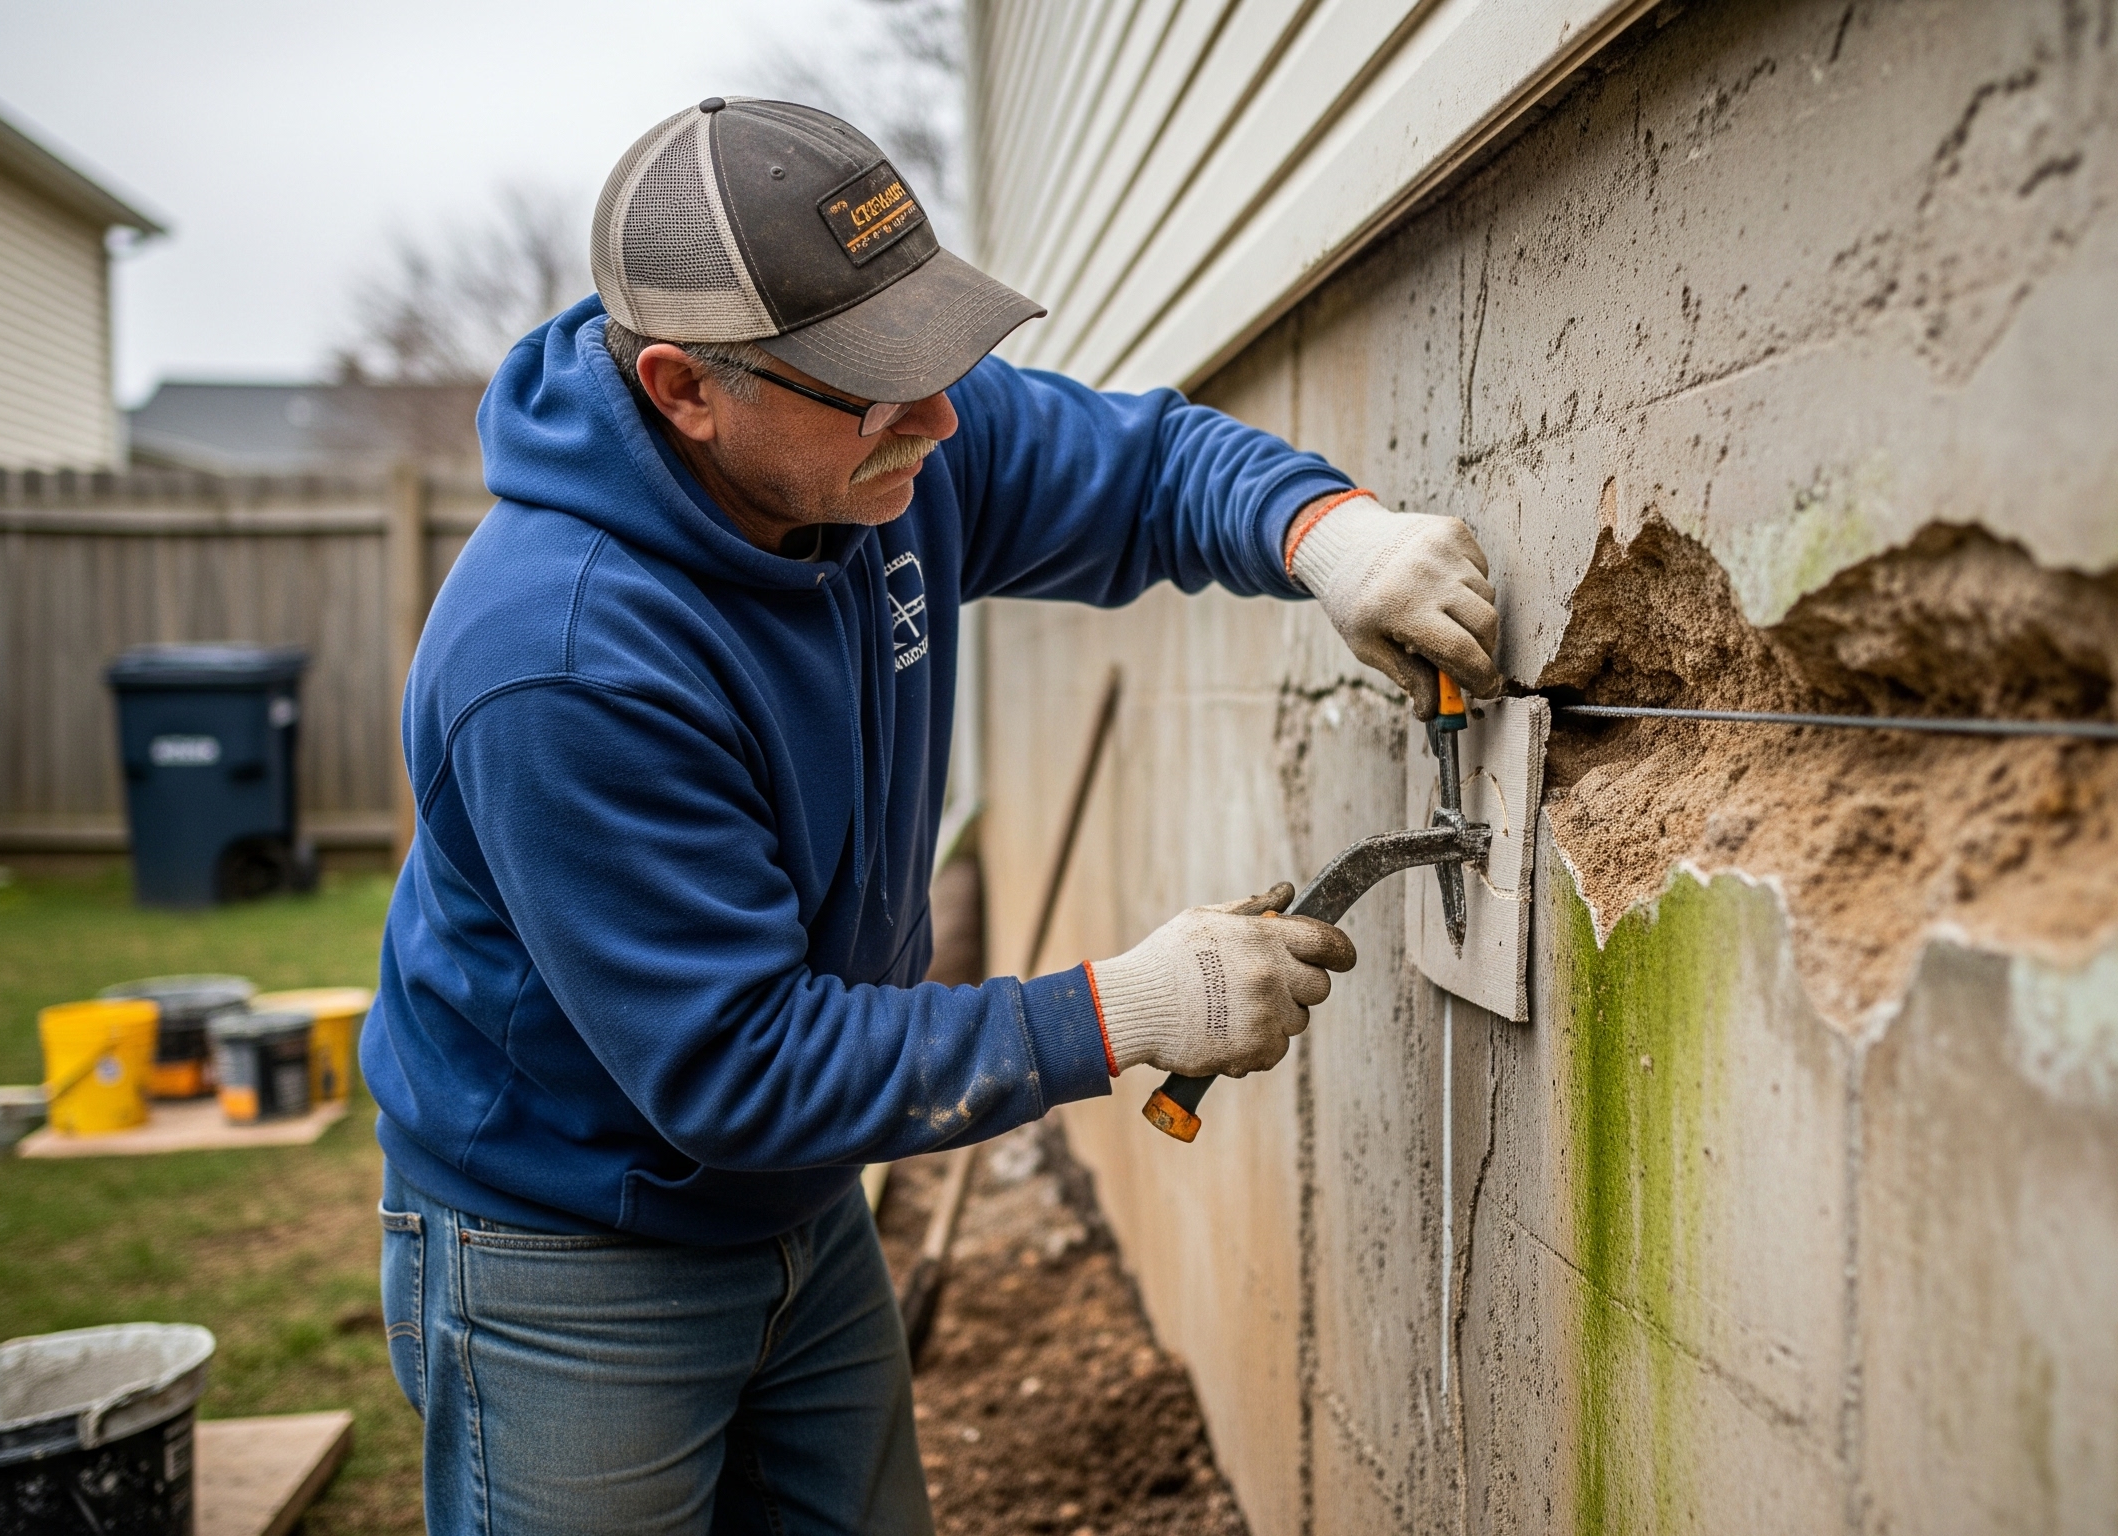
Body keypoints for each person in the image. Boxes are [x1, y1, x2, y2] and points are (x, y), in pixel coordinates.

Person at [363, 97, 1504, 1533]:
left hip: (797, 1205)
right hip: (573, 1250)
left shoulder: (871, 447)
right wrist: (1123, 1009)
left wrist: (1327, 534)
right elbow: (737, 1065)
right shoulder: (564, 659)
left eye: (933, 356)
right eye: (873, 382)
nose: (942, 417)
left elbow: (1143, 468)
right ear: (682, 388)